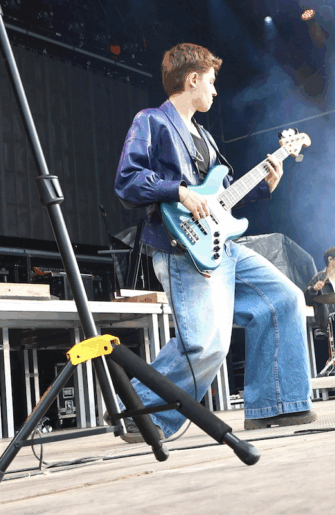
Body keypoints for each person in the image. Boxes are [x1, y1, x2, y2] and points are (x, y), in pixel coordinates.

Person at [114, 43, 315, 439]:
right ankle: (139, 413)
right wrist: (179, 191)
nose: (215, 91)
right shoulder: (151, 121)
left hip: (222, 246)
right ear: (192, 80)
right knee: (207, 346)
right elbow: (127, 181)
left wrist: (265, 183)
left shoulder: (205, 136)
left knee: (285, 299)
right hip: (180, 247)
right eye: (210, 82)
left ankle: (275, 404)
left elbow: (222, 197)